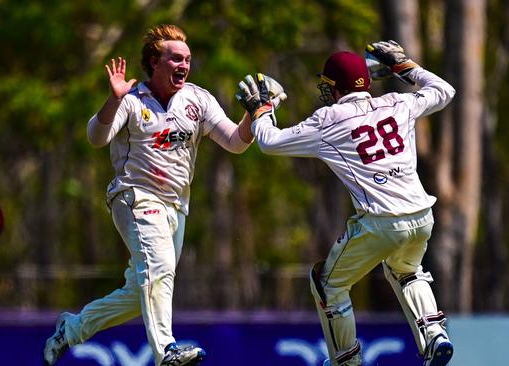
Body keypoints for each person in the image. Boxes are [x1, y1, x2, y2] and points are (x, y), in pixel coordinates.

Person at [42, 24, 284, 366]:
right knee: (160, 269)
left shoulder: (198, 99)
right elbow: (96, 137)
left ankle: (72, 329)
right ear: (154, 62)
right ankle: (166, 351)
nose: (183, 65)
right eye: (175, 59)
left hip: (176, 205)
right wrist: (113, 100)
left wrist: (252, 112)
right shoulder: (131, 100)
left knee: (139, 291)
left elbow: (235, 143)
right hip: (134, 197)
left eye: (187, 59)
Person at [236, 41, 456, 366]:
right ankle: (434, 333)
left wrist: (261, 110)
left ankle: (345, 361)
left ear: (335, 88)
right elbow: (444, 90)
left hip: (380, 221)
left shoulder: (329, 118)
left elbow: (269, 142)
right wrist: (404, 66)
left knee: (328, 284)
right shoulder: (398, 102)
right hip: (422, 215)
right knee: (406, 269)